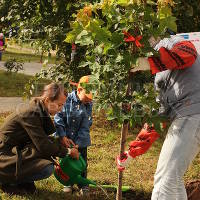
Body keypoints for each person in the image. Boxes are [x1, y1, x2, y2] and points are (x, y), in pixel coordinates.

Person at [117, 35, 200, 200]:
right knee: (172, 182)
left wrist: (147, 63)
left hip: (193, 113)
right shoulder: (160, 77)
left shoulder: (173, 42)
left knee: (165, 183)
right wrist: (132, 152)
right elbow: (159, 116)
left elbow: (187, 55)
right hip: (188, 115)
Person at [0, 83, 79, 195]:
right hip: (4, 155)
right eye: (59, 105)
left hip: (14, 150)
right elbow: (43, 146)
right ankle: (8, 182)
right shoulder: (31, 113)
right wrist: (68, 152)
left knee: (46, 154)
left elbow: (41, 138)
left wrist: (60, 141)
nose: (61, 109)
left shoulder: (38, 109)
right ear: (47, 100)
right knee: (47, 168)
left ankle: (21, 181)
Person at [54, 75, 93, 195]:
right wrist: (62, 135)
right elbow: (58, 117)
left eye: (91, 98)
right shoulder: (66, 100)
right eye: (87, 97)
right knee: (66, 159)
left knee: (81, 162)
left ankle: (83, 183)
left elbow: (85, 125)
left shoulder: (88, 105)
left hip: (79, 139)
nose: (89, 100)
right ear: (79, 90)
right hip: (65, 137)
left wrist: (78, 144)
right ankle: (68, 182)